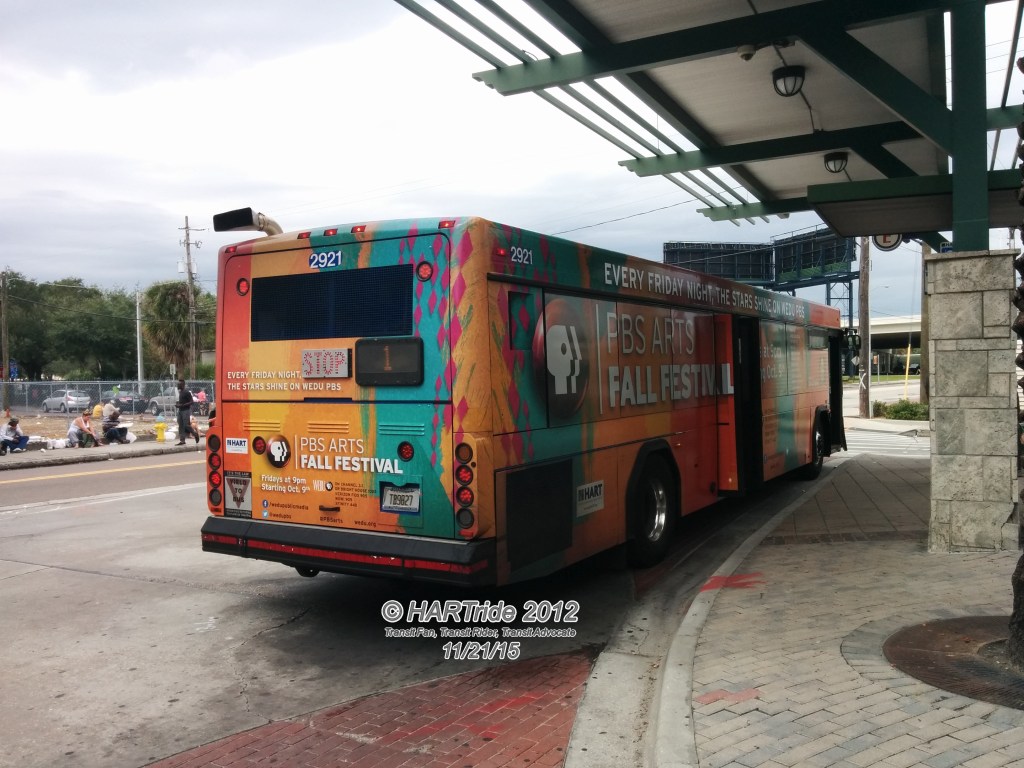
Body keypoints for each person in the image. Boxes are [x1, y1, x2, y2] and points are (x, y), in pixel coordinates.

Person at [175, 379, 200, 445]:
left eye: (179, 384)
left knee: (186, 425)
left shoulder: (187, 392)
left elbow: (191, 401)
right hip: (180, 411)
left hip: (186, 411)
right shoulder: (180, 392)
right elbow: (182, 401)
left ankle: (195, 434)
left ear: (182, 385)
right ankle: (182, 440)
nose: (177, 386)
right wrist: (178, 404)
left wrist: (182, 405)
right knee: (180, 425)